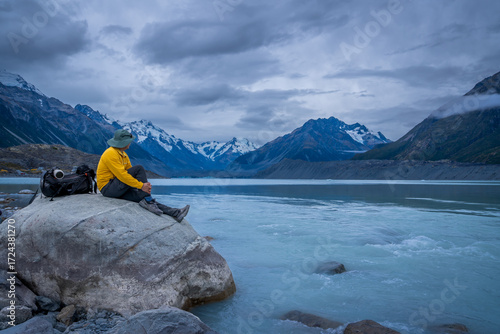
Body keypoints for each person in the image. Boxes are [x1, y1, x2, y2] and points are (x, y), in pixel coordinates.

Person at [96, 129, 189, 222]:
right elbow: (122, 175)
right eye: (129, 141)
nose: (130, 143)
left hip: (117, 187)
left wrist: (142, 189)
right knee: (139, 168)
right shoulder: (111, 153)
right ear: (125, 142)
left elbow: (130, 174)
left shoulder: (123, 155)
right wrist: (142, 186)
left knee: (144, 198)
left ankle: (176, 213)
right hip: (108, 188)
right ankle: (148, 199)